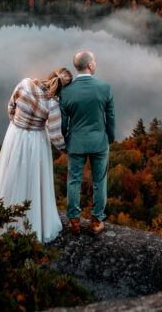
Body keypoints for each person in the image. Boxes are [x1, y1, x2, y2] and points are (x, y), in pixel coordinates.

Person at [0, 67, 72, 243]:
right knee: (32, 178)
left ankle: (3, 215)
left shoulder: (25, 83)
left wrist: (16, 123)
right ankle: (30, 223)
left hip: (15, 134)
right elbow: (56, 136)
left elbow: (11, 106)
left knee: (10, 172)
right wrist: (67, 150)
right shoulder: (53, 104)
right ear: (62, 89)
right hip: (36, 141)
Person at [60, 50, 115, 235]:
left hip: (76, 143)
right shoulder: (105, 88)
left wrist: (65, 141)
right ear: (90, 65)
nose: (95, 63)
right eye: (95, 61)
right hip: (99, 142)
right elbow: (111, 118)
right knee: (99, 181)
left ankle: (74, 221)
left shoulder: (66, 92)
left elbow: (63, 123)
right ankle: (96, 221)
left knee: (74, 180)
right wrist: (110, 137)